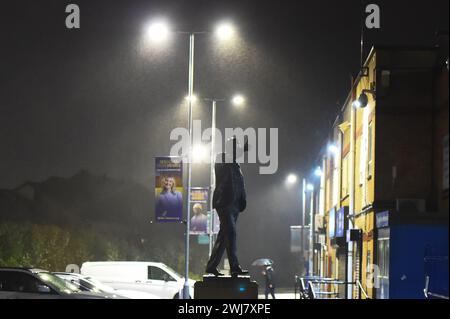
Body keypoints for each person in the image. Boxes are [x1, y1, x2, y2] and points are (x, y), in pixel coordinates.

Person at [205, 136, 249, 277]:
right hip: (224, 203)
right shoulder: (221, 158)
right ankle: (234, 267)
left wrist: (242, 200)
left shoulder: (236, 165)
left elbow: (240, 184)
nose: (238, 151)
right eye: (236, 148)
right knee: (231, 233)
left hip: (235, 205)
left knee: (224, 237)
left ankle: (211, 266)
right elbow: (225, 168)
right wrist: (241, 150)